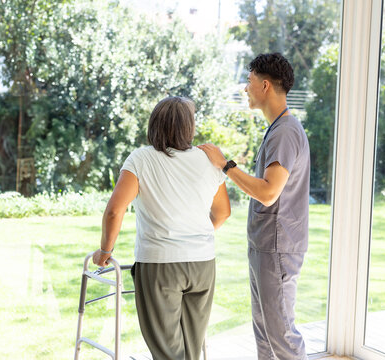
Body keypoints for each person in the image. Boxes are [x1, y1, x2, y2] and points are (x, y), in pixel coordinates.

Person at [92, 96, 231, 360]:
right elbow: (223, 212)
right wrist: (196, 238)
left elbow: (114, 211)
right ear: (188, 127)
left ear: (155, 124)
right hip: (202, 264)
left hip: (160, 265)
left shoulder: (141, 159)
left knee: (168, 352)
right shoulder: (208, 160)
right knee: (191, 349)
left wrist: (104, 250)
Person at [198, 53, 310, 360]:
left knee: (281, 335)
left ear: (264, 86)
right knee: (265, 334)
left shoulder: (285, 132)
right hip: (266, 246)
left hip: (277, 247)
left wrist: (225, 165)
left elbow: (269, 192)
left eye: (248, 82)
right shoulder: (277, 128)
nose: (245, 89)